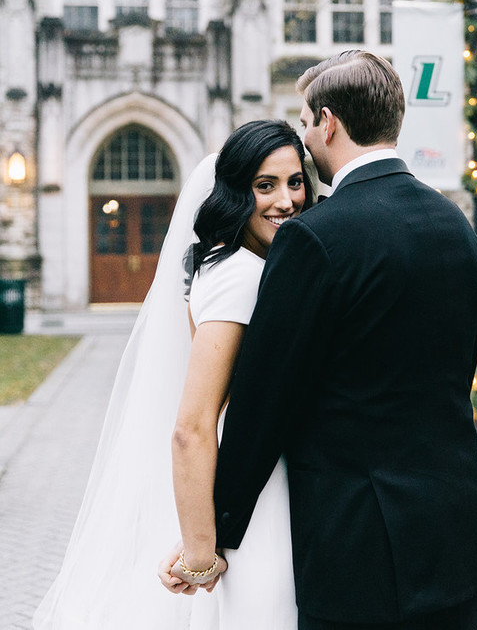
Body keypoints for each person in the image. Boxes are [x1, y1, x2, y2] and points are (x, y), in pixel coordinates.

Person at [209, 50, 477, 630]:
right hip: (456, 534)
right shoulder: (458, 228)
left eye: (303, 121)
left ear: (328, 122)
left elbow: (264, 403)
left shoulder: (314, 239)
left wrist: (216, 533)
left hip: (359, 549)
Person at [34, 119, 312, 630]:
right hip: (256, 488)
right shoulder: (243, 276)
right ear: (235, 192)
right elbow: (191, 427)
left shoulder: (227, 263)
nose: (287, 200)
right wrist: (200, 553)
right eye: (265, 185)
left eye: (295, 182)